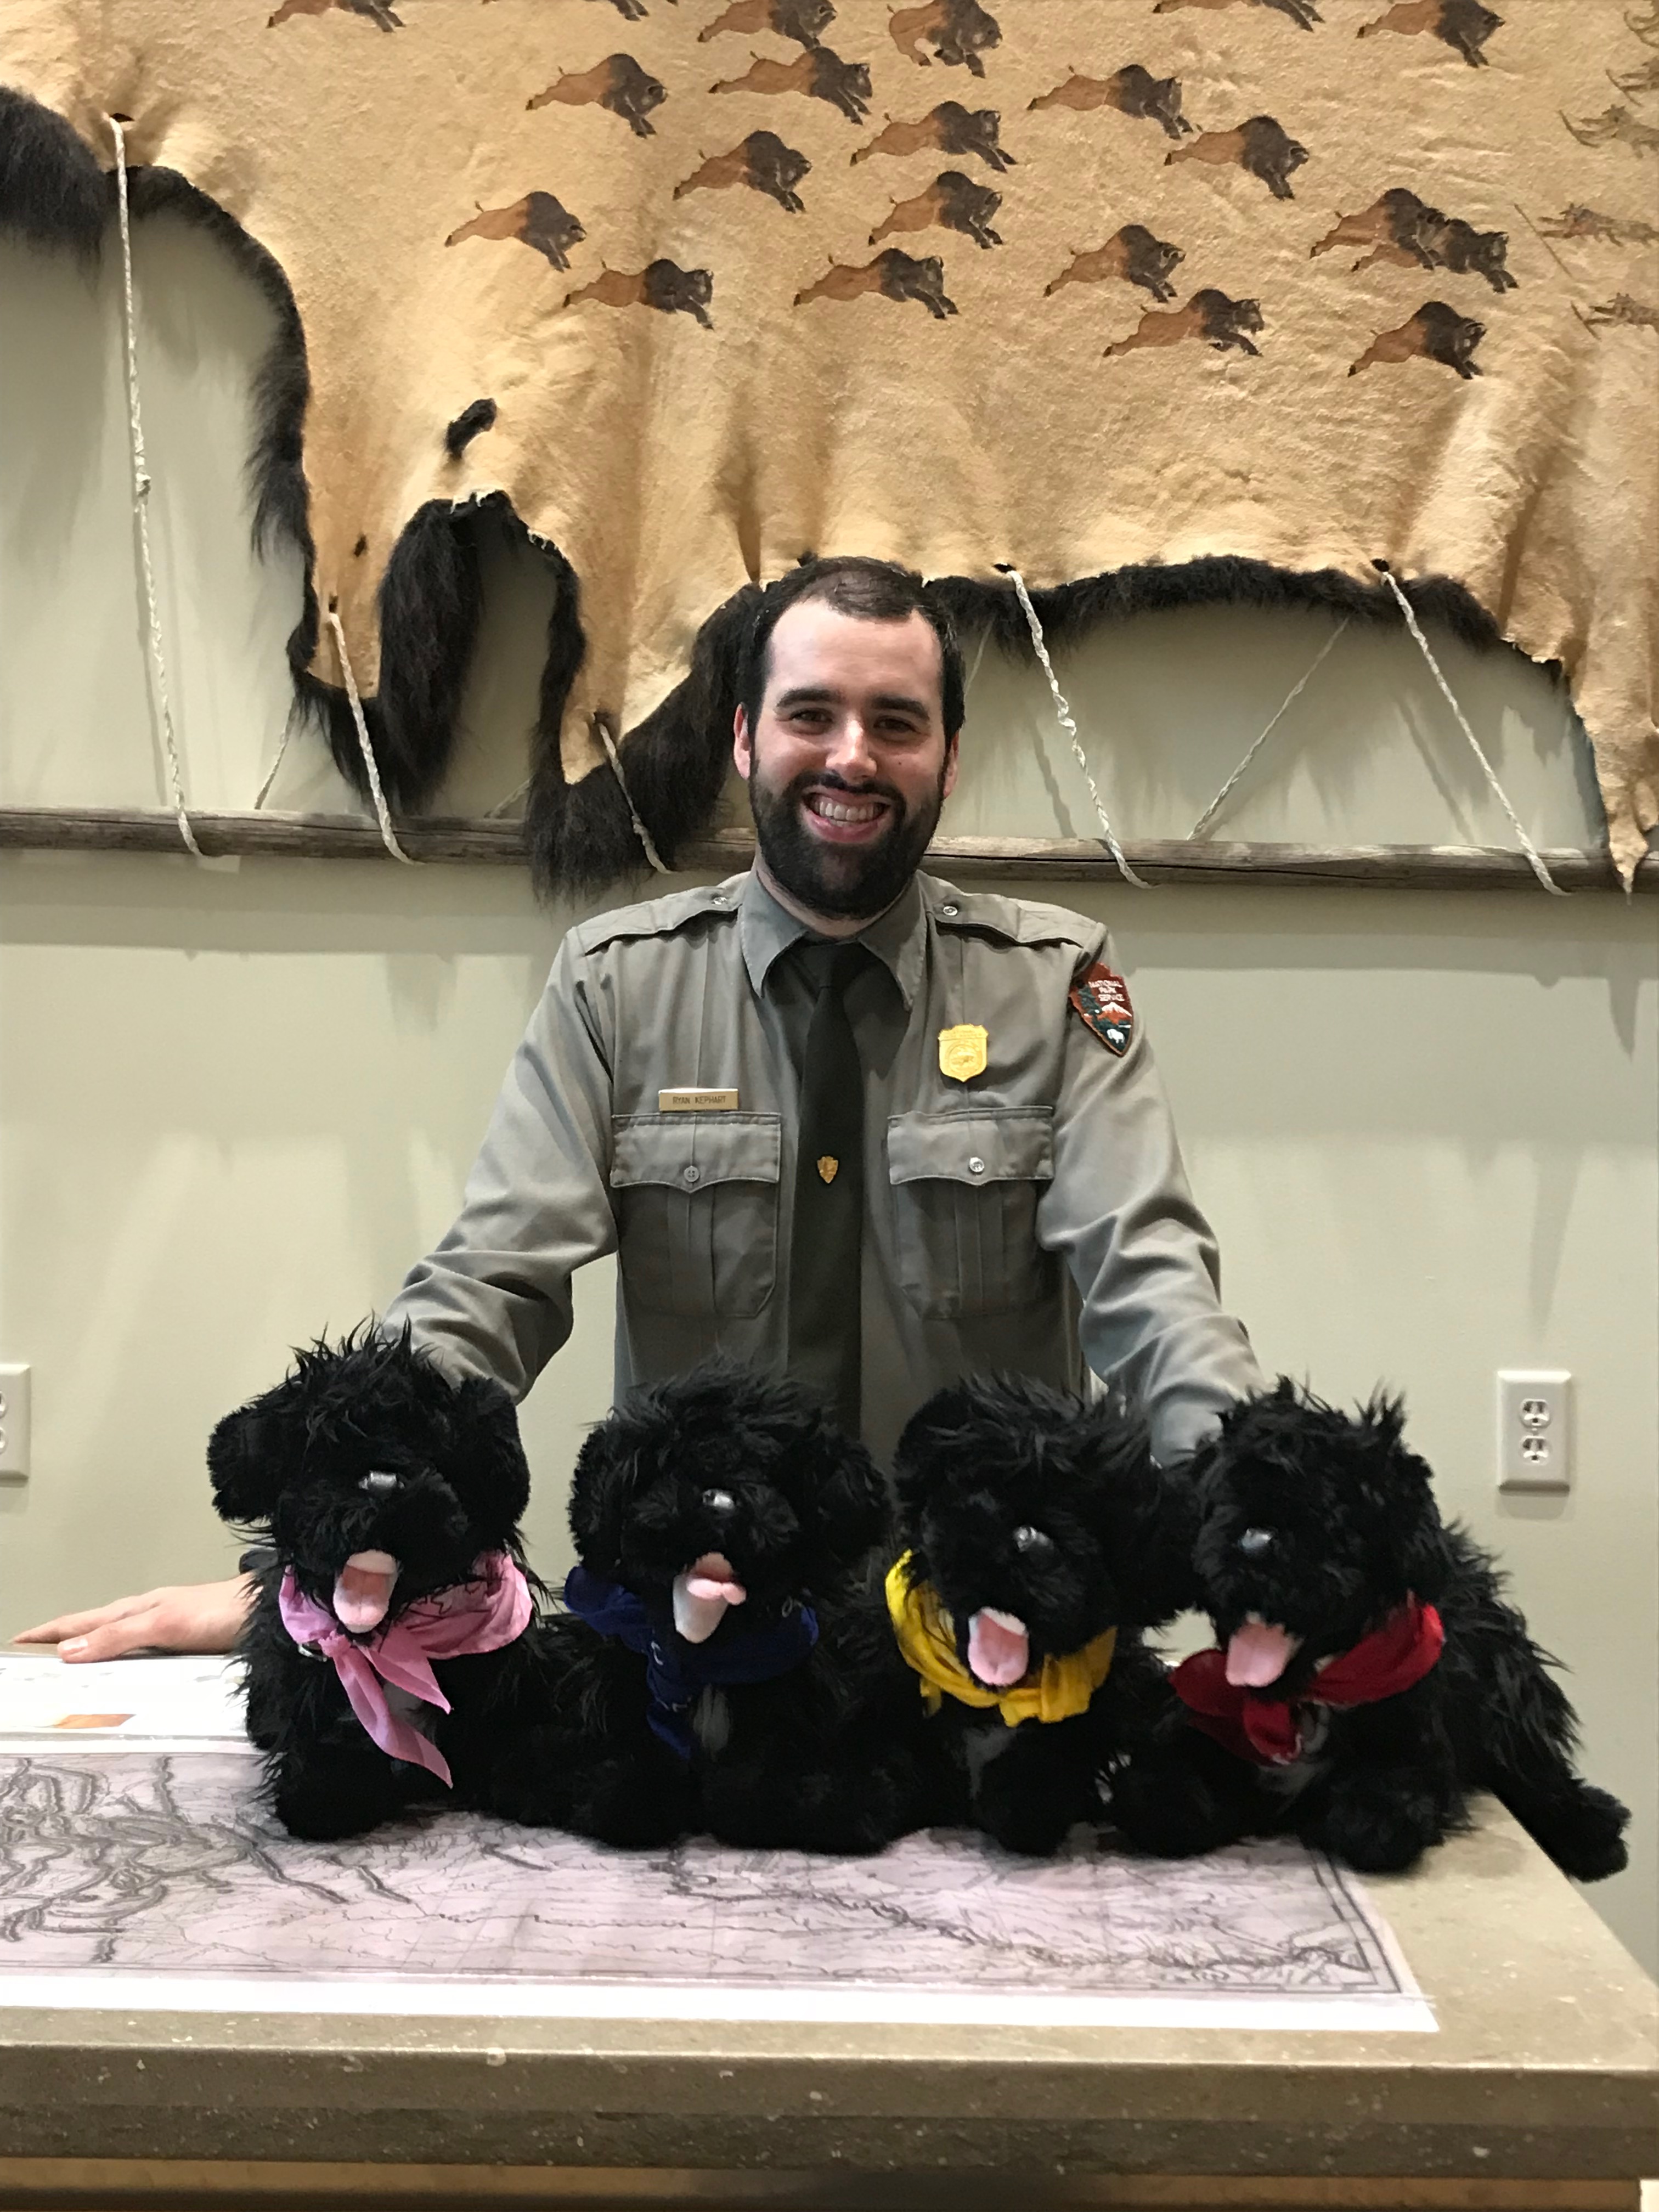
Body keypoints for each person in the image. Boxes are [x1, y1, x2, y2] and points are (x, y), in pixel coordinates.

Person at [18, 556, 1262, 1663]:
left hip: (984, 1630)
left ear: (947, 754)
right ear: (741, 738)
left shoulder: (1058, 984)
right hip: (700, 1640)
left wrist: (1272, 1536)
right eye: (810, 715)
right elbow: (489, 1288)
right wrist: (326, 1556)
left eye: (897, 722)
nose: (851, 757)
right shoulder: (617, 987)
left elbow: (1153, 1292)